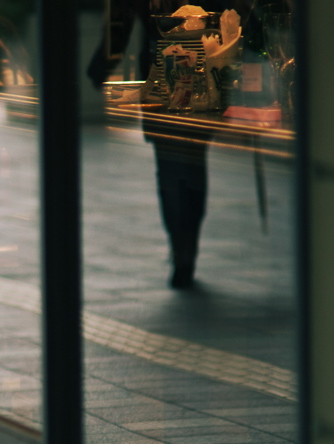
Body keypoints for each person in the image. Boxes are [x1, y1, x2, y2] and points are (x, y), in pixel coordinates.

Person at [88, 0, 238, 289]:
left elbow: (119, 23)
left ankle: (181, 244)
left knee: (170, 169)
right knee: (192, 165)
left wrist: (99, 70)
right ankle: (186, 244)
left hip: (164, 69)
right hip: (203, 68)